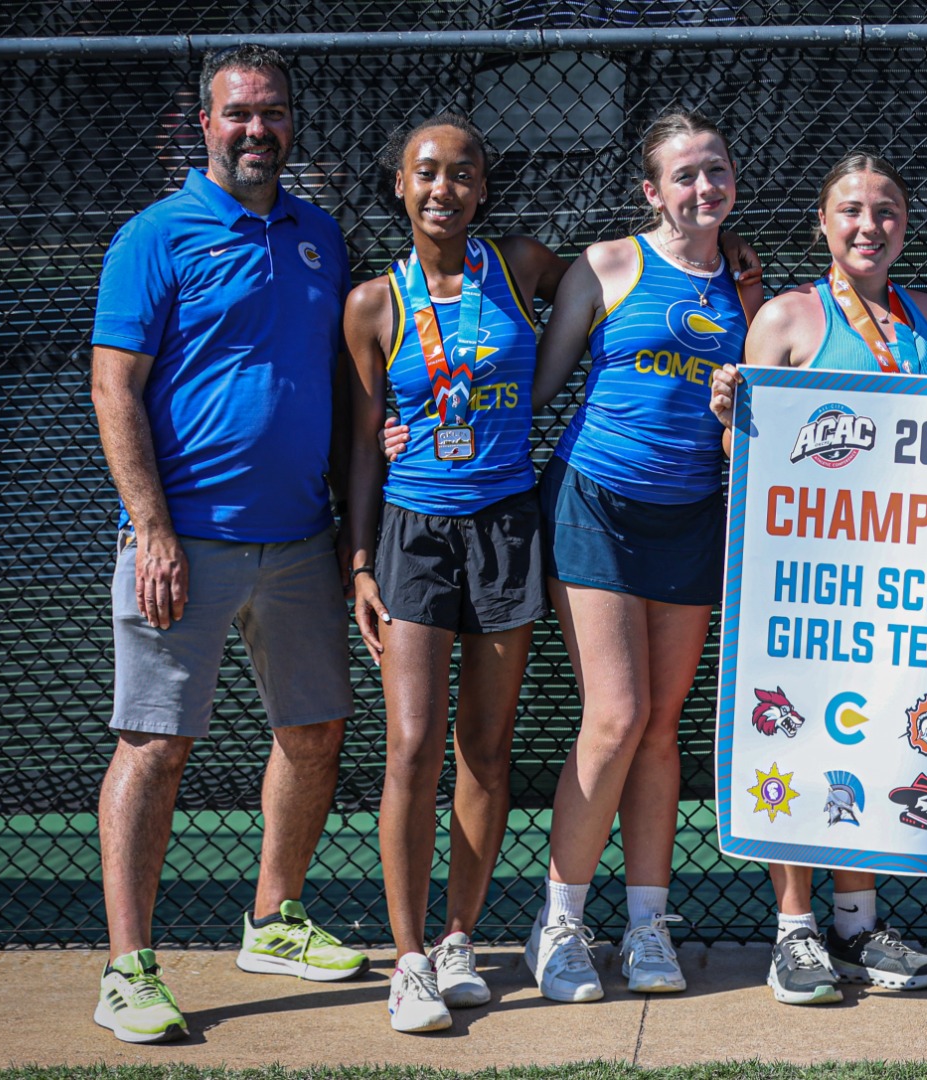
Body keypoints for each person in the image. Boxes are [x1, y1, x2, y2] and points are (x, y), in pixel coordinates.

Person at [87, 44, 365, 1043]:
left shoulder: (321, 237)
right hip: (181, 545)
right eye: (238, 113)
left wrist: (351, 531)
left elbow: (340, 392)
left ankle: (273, 920)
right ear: (199, 126)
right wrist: (152, 528)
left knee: (316, 733)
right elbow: (114, 386)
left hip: (300, 543)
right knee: (156, 747)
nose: (257, 130)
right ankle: (128, 969)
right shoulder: (153, 238)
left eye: (273, 112)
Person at [708, 151, 927, 1005]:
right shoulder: (785, 317)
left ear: (905, 223)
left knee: (883, 737)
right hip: (803, 586)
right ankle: (795, 931)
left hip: (904, 585)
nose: (869, 225)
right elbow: (744, 459)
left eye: (886, 210)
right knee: (799, 739)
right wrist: (727, 414)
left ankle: (857, 923)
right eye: (851, 210)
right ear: (823, 222)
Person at [520, 110, 764, 1003]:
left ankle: (648, 924)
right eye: (686, 175)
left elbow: (752, 423)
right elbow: (538, 390)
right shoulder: (607, 265)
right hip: (595, 506)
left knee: (661, 726)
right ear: (652, 190)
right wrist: (418, 430)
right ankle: (559, 925)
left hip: (694, 517)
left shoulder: (747, 286)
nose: (705, 188)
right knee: (616, 717)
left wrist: (737, 411)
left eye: (717, 171)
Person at [344, 114, 568, 1032]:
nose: (444, 189)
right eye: (426, 173)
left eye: (462, 173)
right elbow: (360, 449)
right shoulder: (371, 304)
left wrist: (729, 254)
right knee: (411, 746)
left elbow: (611, 275)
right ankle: (406, 962)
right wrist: (357, 560)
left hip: (506, 526)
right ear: (400, 185)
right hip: (412, 532)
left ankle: (458, 938)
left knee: (484, 747)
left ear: (483, 187)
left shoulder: (519, 266)